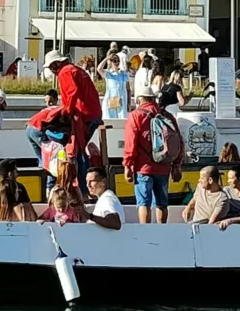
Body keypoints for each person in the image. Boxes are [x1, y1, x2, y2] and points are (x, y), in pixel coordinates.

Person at [123, 85, 185, 224]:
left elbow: (130, 144)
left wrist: (127, 165)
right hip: (164, 165)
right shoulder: (167, 116)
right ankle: (161, 230)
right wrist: (177, 165)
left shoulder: (136, 116)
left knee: (143, 202)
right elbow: (179, 141)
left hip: (143, 167)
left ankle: (145, 231)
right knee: (162, 203)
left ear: (139, 99)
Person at [53, 55, 103, 165]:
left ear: (56, 63)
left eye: (51, 67)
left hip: (85, 114)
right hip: (94, 113)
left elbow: (72, 92)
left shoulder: (65, 72)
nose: (51, 70)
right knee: (80, 149)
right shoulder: (75, 69)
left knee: (77, 150)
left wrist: (67, 113)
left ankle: (81, 174)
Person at [77, 161, 123, 230]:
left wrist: (89, 216)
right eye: (87, 181)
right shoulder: (103, 198)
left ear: (103, 182)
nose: (88, 185)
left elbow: (115, 223)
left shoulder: (107, 199)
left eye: (92, 181)